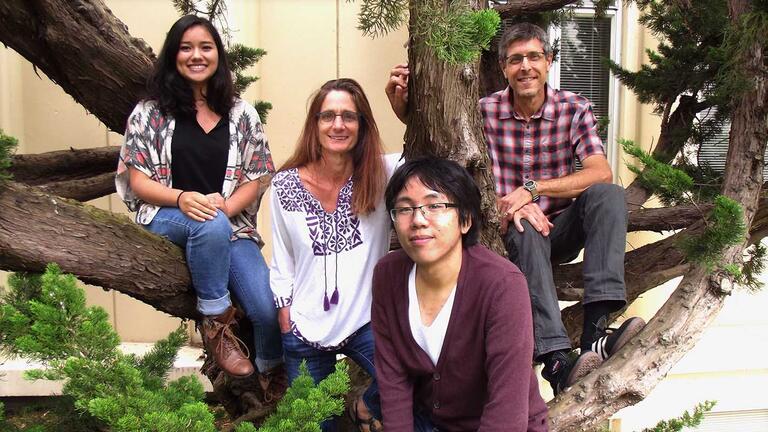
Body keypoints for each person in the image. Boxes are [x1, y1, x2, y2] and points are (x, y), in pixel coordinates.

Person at [385, 22, 645, 396]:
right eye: (515, 59)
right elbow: (443, 143)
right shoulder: (483, 111)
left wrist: (533, 190)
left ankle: (595, 334)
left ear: (549, 62)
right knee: (525, 227)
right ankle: (557, 361)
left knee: (608, 194)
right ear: (505, 68)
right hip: (514, 233)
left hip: (562, 226)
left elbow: (599, 171)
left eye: (534, 57)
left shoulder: (574, 108)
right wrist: (406, 111)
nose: (526, 67)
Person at [115, 15, 285, 401]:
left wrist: (224, 208)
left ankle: (271, 374)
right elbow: (138, 180)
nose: (196, 55)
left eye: (205, 47)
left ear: (218, 55)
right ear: (174, 55)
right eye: (186, 47)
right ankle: (216, 323)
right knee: (206, 225)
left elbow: (257, 176)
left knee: (265, 305)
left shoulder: (242, 114)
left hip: (228, 224)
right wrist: (181, 198)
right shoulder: (150, 113)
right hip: (168, 217)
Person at [372, 157, 549, 432]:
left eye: (434, 206)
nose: (418, 220)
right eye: (405, 209)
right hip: (428, 422)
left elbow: (506, 413)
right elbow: (394, 379)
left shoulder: (502, 285)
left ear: (465, 219)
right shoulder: (388, 275)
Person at [270, 78, 398, 431]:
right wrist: (285, 314)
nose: (338, 125)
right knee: (314, 424)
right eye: (327, 116)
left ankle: (363, 406)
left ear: (362, 125)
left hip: (366, 321)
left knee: (407, 382)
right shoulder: (284, 185)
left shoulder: (383, 174)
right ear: (315, 124)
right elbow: (282, 257)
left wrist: (402, 110)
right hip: (305, 326)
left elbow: (424, 153)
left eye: (348, 116)